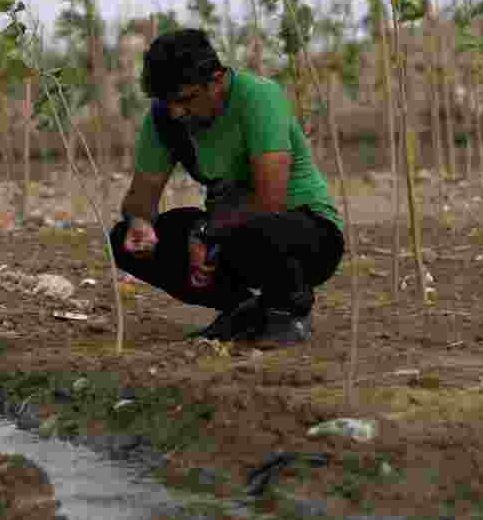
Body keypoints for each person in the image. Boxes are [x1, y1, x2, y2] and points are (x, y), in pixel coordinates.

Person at [109, 29, 344, 345]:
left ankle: (288, 310)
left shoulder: (258, 97)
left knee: (260, 230)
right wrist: (140, 222)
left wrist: (205, 233)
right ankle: (244, 309)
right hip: (227, 234)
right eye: (167, 102)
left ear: (216, 81)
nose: (177, 111)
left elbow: (270, 201)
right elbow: (140, 199)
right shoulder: (166, 118)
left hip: (304, 233)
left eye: (185, 99)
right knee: (123, 239)